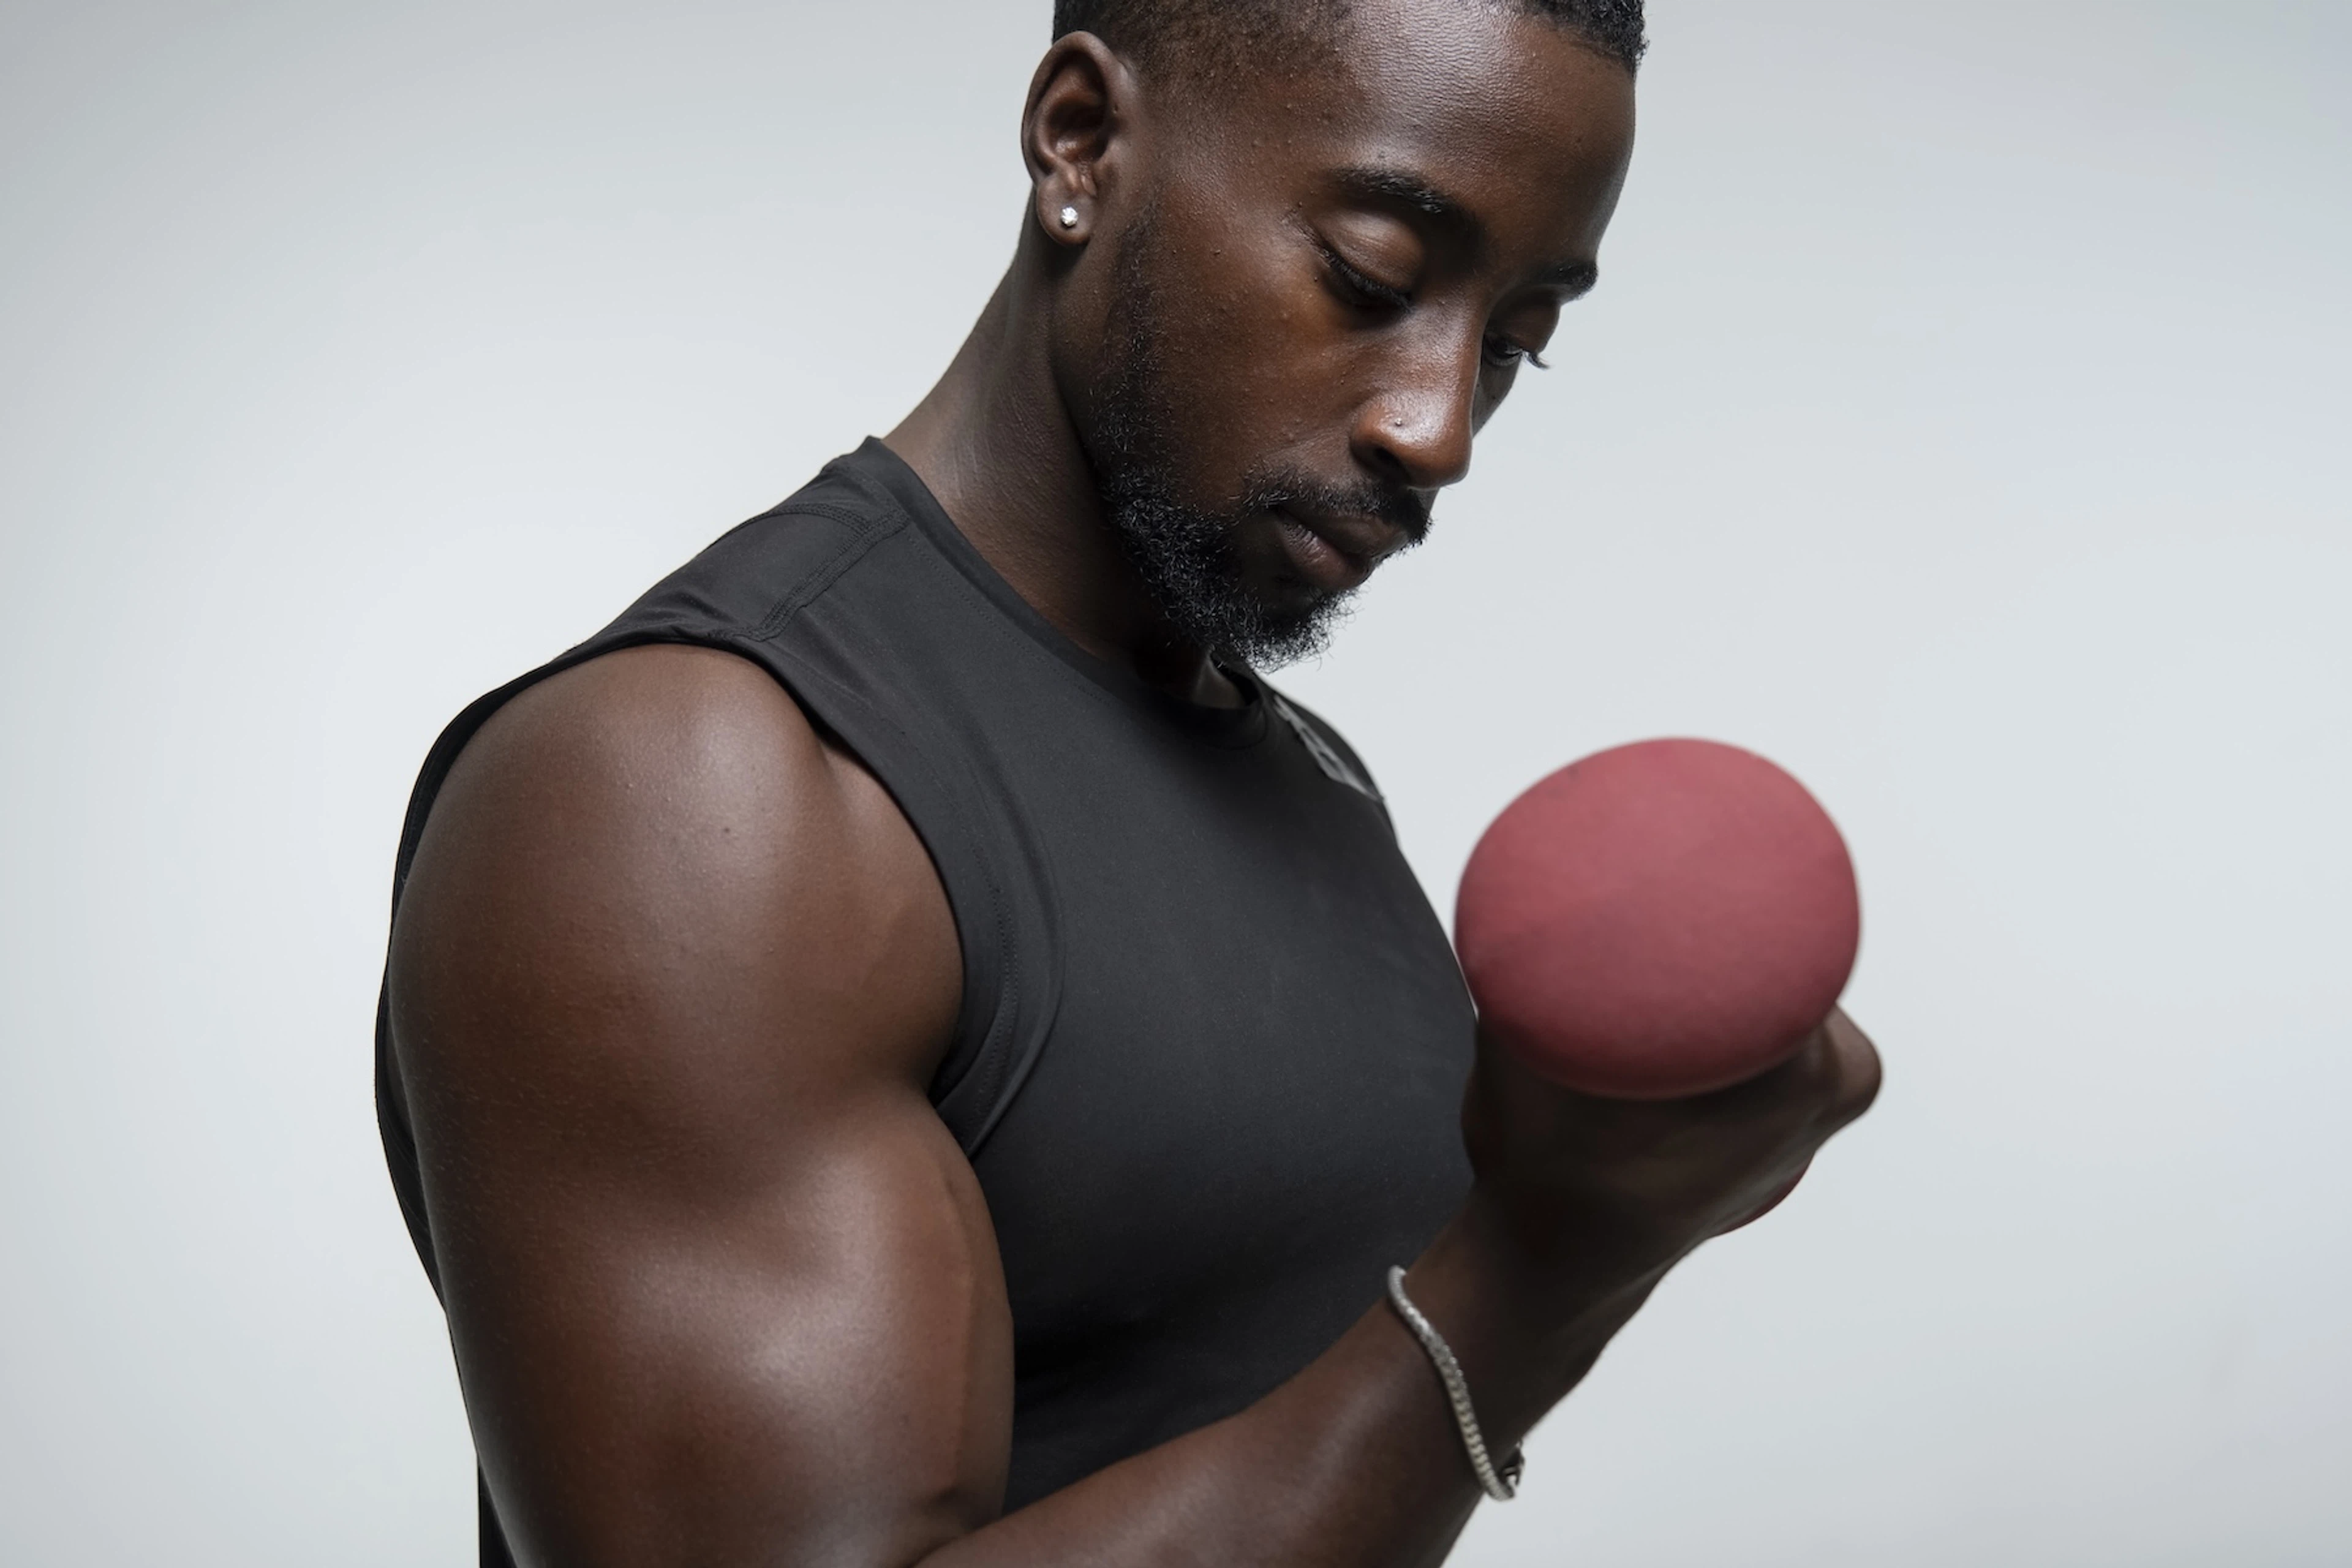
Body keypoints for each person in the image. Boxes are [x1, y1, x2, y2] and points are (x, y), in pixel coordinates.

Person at [377, 1, 1882, 1563]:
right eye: (1373, 276)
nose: (1440, 429)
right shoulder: (699, 790)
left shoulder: (1307, 780)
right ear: (1081, 141)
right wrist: (1537, 1272)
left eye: (1513, 343)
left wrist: (1601, 1180)